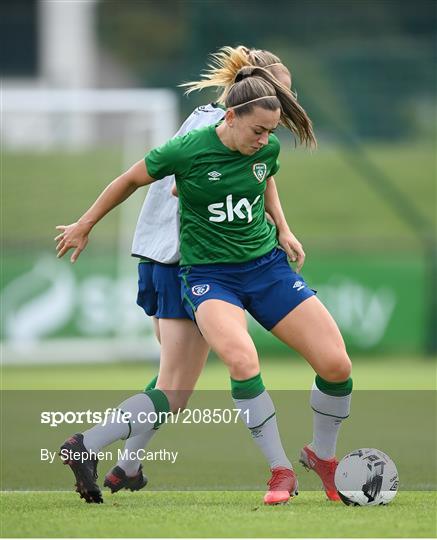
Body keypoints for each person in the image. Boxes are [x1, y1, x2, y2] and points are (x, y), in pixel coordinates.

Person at [57, 62, 352, 506]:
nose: (268, 137)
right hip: (191, 269)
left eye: (274, 127)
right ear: (233, 113)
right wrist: (85, 223)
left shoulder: (265, 146)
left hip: (264, 267)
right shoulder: (192, 141)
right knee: (205, 374)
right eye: (262, 127)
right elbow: (135, 179)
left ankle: (118, 457)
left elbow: (261, 177)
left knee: (335, 365)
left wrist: (283, 228)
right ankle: (280, 470)